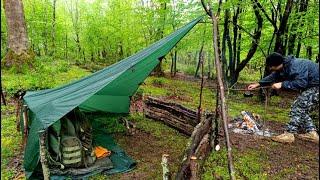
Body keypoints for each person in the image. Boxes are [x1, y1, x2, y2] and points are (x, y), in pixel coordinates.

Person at [248, 52, 319, 143]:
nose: (270, 69)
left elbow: (301, 83)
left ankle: (289, 134)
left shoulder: (295, 66)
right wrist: (258, 84)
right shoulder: (285, 66)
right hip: (313, 86)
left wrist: (282, 84)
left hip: (316, 86)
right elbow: (274, 76)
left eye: (271, 67)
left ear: (275, 65)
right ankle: (312, 133)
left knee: (297, 107)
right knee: (302, 109)